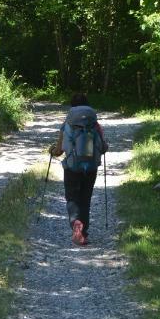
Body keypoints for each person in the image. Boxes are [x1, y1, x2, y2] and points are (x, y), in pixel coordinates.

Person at [50, 93, 107, 246]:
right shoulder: (95, 125)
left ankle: (76, 223)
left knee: (72, 198)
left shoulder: (66, 125)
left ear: (72, 107)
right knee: (85, 200)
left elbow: (59, 150)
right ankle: (84, 233)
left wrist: (52, 150)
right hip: (90, 168)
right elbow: (103, 147)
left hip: (72, 168)